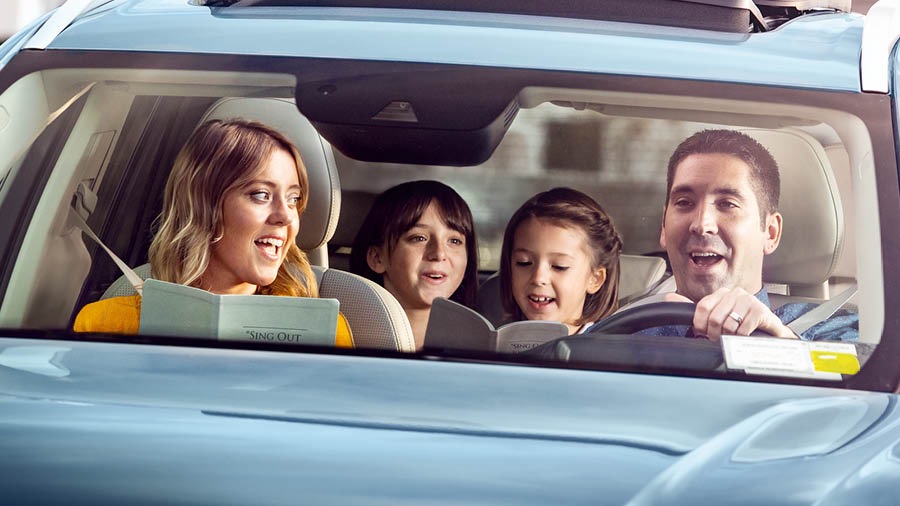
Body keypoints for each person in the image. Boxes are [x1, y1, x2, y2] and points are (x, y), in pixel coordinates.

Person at [74, 118, 353, 347]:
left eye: (293, 199)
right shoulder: (108, 325)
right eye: (260, 194)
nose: (285, 216)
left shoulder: (325, 334)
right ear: (203, 207)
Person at [627, 128, 857, 341]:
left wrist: (781, 341)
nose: (702, 224)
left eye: (728, 204)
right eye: (685, 202)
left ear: (770, 232)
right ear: (664, 228)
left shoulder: (839, 330)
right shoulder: (622, 332)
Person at [350, 180, 478, 348]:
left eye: (454, 241)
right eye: (419, 238)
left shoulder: (478, 347)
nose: (439, 254)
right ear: (377, 258)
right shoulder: (342, 339)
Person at [499, 187, 622, 335]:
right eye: (524, 262)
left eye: (559, 266)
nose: (538, 278)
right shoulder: (494, 339)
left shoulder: (612, 351)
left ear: (594, 279)